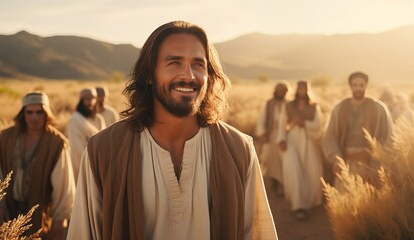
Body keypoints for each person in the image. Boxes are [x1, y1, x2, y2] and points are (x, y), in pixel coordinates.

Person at [67, 21, 278, 240]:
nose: (188, 76)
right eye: (174, 63)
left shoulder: (238, 149)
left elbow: (257, 234)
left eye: (198, 65)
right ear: (149, 74)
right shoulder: (104, 150)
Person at [0, 91, 76, 239]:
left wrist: (60, 218)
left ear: (46, 114)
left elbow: (63, 184)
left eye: (39, 112)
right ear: (23, 113)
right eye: (30, 112)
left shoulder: (56, 143)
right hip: (9, 209)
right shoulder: (6, 137)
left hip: (38, 213)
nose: (34, 117)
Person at [322, 72, 393, 190]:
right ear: (350, 86)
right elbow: (330, 136)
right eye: (355, 85)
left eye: (361, 85)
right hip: (345, 163)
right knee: (344, 200)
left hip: (369, 164)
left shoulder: (378, 108)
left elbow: (386, 137)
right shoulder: (339, 108)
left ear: (366, 86)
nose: (358, 88)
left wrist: (376, 165)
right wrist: (336, 158)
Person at [279, 80, 323, 221]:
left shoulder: (314, 107)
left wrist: (304, 123)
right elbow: (281, 124)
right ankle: (298, 206)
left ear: (308, 90)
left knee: (311, 171)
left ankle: (309, 202)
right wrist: (282, 140)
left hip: (308, 141)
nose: (302, 91)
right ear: (297, 90)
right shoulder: (288, 105)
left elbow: (317, 125)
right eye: (300, 88)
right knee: (294, 170)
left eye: (305, 89)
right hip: (292, 140)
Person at [255, 81, 289, 196]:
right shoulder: (268, 104)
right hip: (270, 135)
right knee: (269, 159)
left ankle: (283, 185)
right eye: (279, 90)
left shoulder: (289, 104)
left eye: (283, 90)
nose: (281, 92)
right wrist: (262, 133)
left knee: (283, 160)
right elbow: (261, 120)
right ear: (276, 90)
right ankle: (274, 184)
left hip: (284, 137)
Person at [66, 87, 105, 183]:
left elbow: (105, 144)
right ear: (81, 100)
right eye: (87, 99)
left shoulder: (99, 119)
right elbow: (79, 151)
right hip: (83, 170)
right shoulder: (75, 122)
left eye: (93, 98)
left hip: (101, 168)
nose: (90, 102)